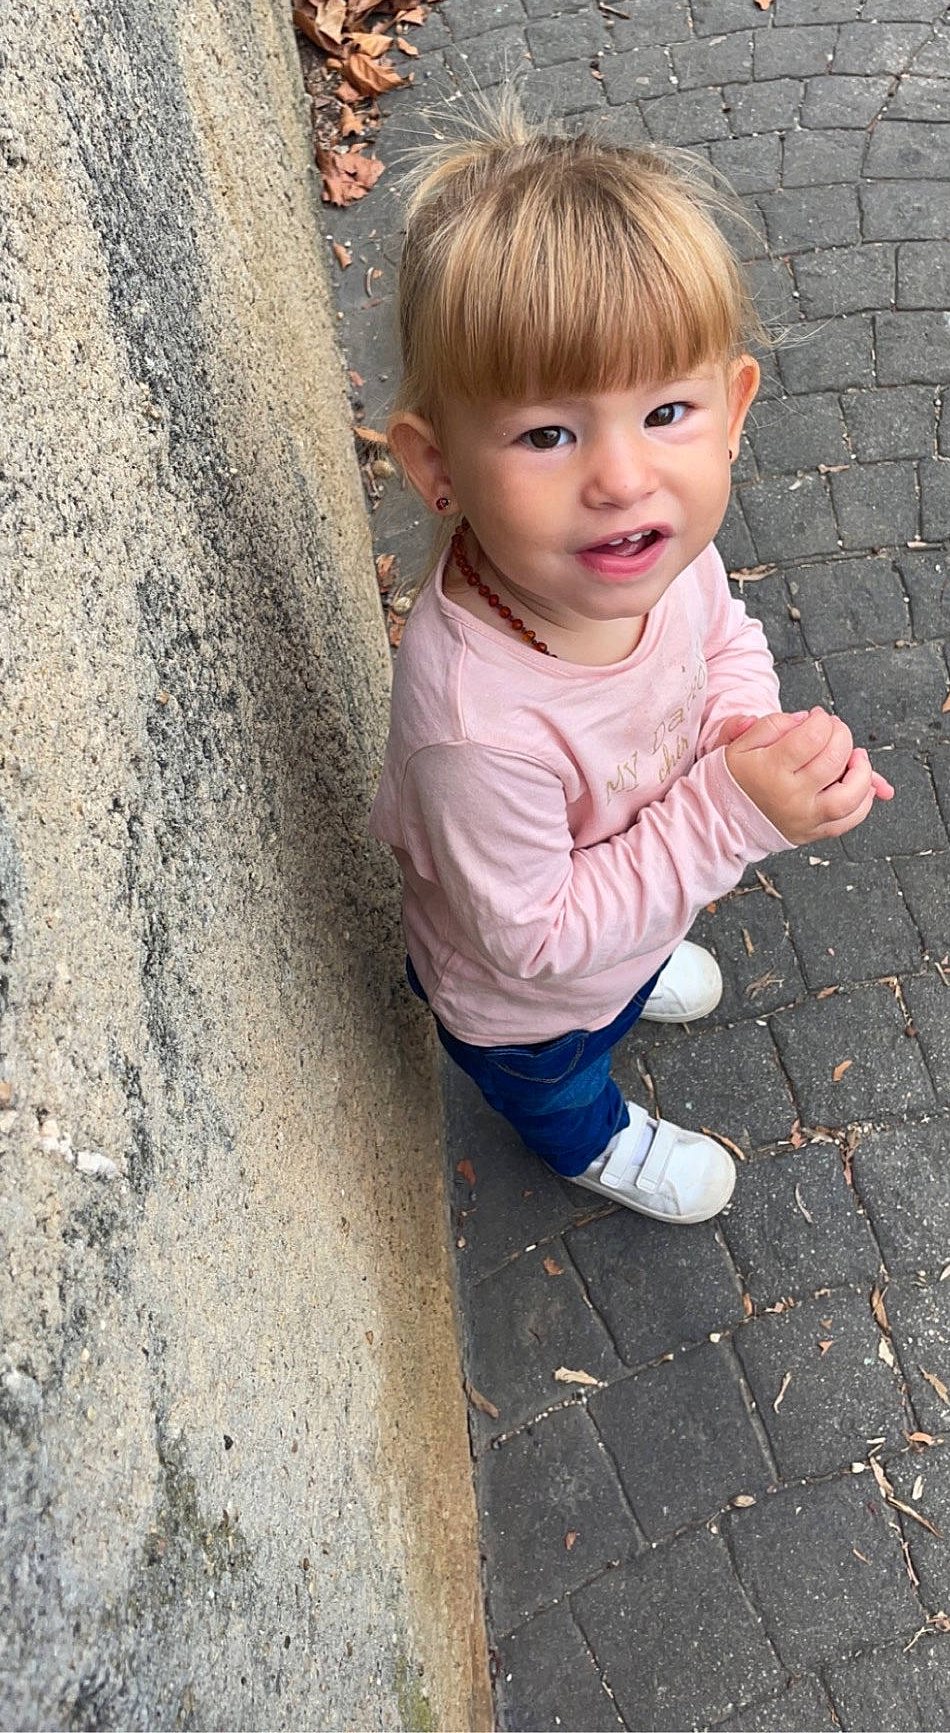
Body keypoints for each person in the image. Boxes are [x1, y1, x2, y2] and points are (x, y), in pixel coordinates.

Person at [370, 107, 892, 1225]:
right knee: (558, 1080)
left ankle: (640, 967)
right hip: (524, 1001)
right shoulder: (479, 724)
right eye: (547, 434)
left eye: (664, 411)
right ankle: (591, 1144)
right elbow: (534, 938)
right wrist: (728, 812)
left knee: (625, 953)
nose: (620, 476)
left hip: (622, 920)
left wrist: (740, 733)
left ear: (733, 410)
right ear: (435, 464)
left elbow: (717, 638)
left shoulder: (645, 560)